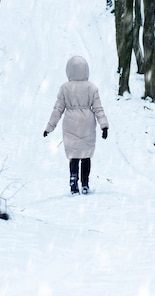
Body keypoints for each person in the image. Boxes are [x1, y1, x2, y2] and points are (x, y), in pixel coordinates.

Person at [44, 56, 109, 194]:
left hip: (70, 123)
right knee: (86, 154)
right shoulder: (92, 88)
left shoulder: (64, 88)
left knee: (74, 154)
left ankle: (73, 180)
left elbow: (58, 110)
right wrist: (104, 125)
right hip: (87, 123)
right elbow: (98, 108)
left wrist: (49, 127)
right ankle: (85, 183)